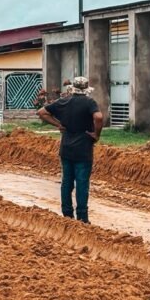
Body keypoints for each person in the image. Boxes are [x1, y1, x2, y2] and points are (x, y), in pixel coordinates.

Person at [37, 76, 104, 223]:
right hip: (83, 147)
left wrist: (58, 125)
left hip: (66, 147)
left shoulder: (63, 101)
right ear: (86, 90)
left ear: (73, 89)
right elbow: (98, 117)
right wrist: (96, 134)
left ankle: (67, 215)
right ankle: (82, 218)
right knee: (82, 183)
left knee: (66, 182)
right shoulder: (89, 102)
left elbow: (41, 112)